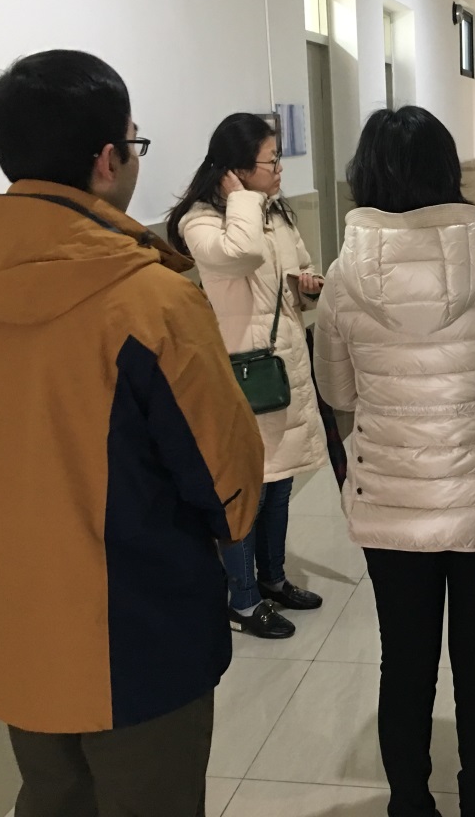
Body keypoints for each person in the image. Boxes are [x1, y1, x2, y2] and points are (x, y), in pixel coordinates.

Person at [0, 50, 264, 817]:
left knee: (52, 800)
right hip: (142, 633)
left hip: (19, 627)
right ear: (108, 159)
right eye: (134, 143)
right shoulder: (151, 302)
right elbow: (227, 483)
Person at [313, 106, 475, 817]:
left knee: (404, 661)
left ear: (365, 175)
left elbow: (338, 393)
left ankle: (409, 804)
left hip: (390, 507)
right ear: (449, 171)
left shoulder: (343, 275)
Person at [168, 113, 328, 640]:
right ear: (235, 170)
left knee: (279, 483)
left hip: (283, 365)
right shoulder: (200, 223)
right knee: (246, 490)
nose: (280, 169)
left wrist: (307, 286)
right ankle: (242, 598)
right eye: (270, 161)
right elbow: (241, 255)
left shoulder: (274, 213)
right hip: (242, 372)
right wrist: (241, 199)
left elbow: (297, 270)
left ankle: (273, 579)